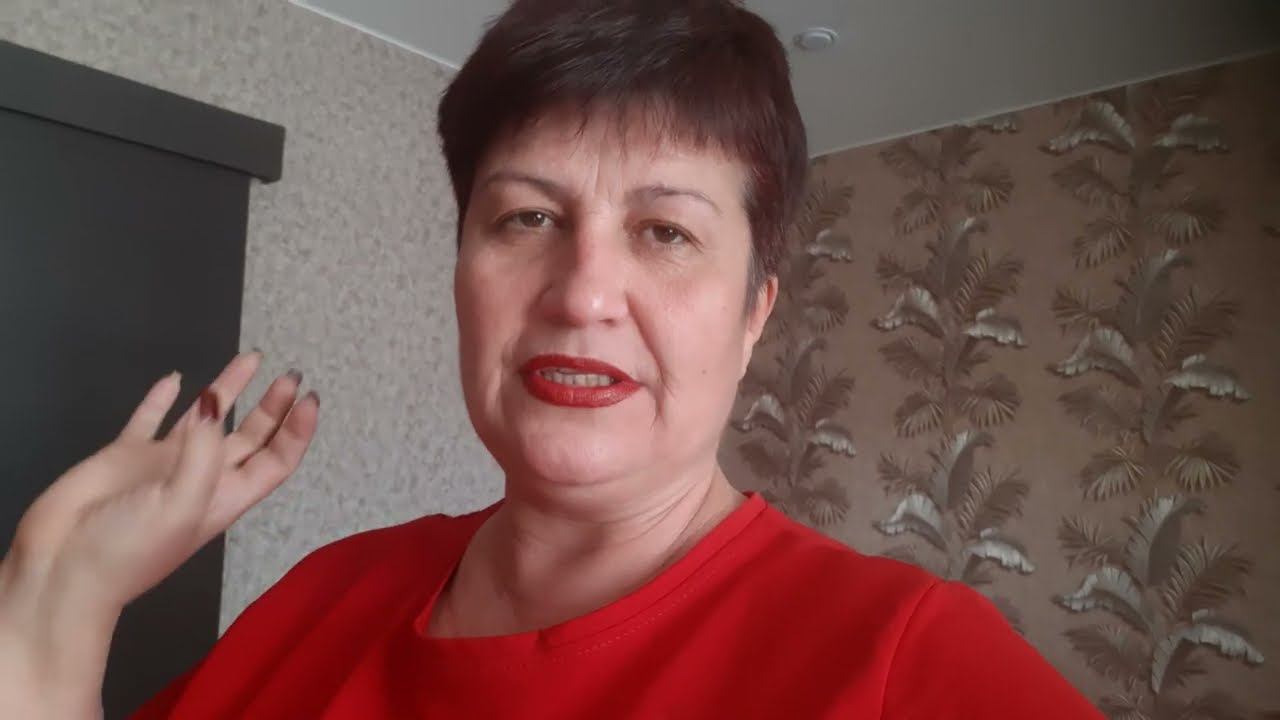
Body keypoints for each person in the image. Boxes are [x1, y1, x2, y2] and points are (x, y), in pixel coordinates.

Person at [0, 0, 1104, 717]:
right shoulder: (324, 596)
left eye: (664, 232)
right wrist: (60, 600)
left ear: (753, 315)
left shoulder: (907, 666)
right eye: (526, 218)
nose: (581, 292)